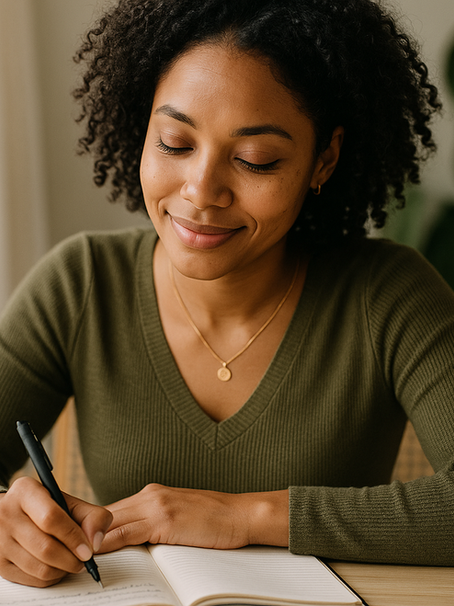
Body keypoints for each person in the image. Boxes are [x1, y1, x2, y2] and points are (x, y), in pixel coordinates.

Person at [0, 0, 453, 589]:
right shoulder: (81, 282)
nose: (202, 190)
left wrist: (242, 516)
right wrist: (10, 521)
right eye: (174, 142)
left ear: (325, 159)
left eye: (254, 160)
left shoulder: (389, 295)